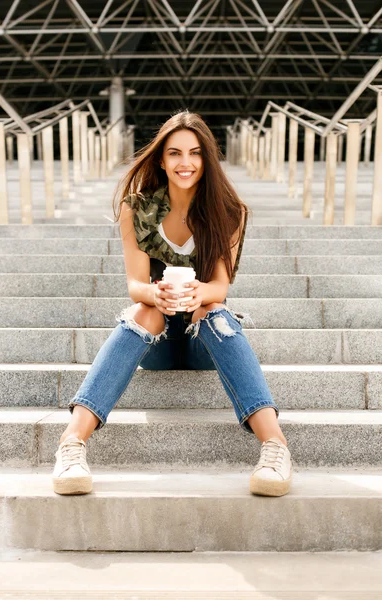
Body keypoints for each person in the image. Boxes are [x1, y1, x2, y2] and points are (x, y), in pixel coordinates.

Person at [52, 110, 293, 498]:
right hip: (157, 339)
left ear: (207, 159)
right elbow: (135, 284)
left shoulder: (229, 211)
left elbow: (220, 285)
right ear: (161, 160)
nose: (185, 163)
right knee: (143, 311)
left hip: (204, 341)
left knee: (213, 312)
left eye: (195, 153)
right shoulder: (138, 208)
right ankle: (71, 444)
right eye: (175, 153)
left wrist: (200, 293)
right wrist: (155, 294)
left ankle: (275, 447)